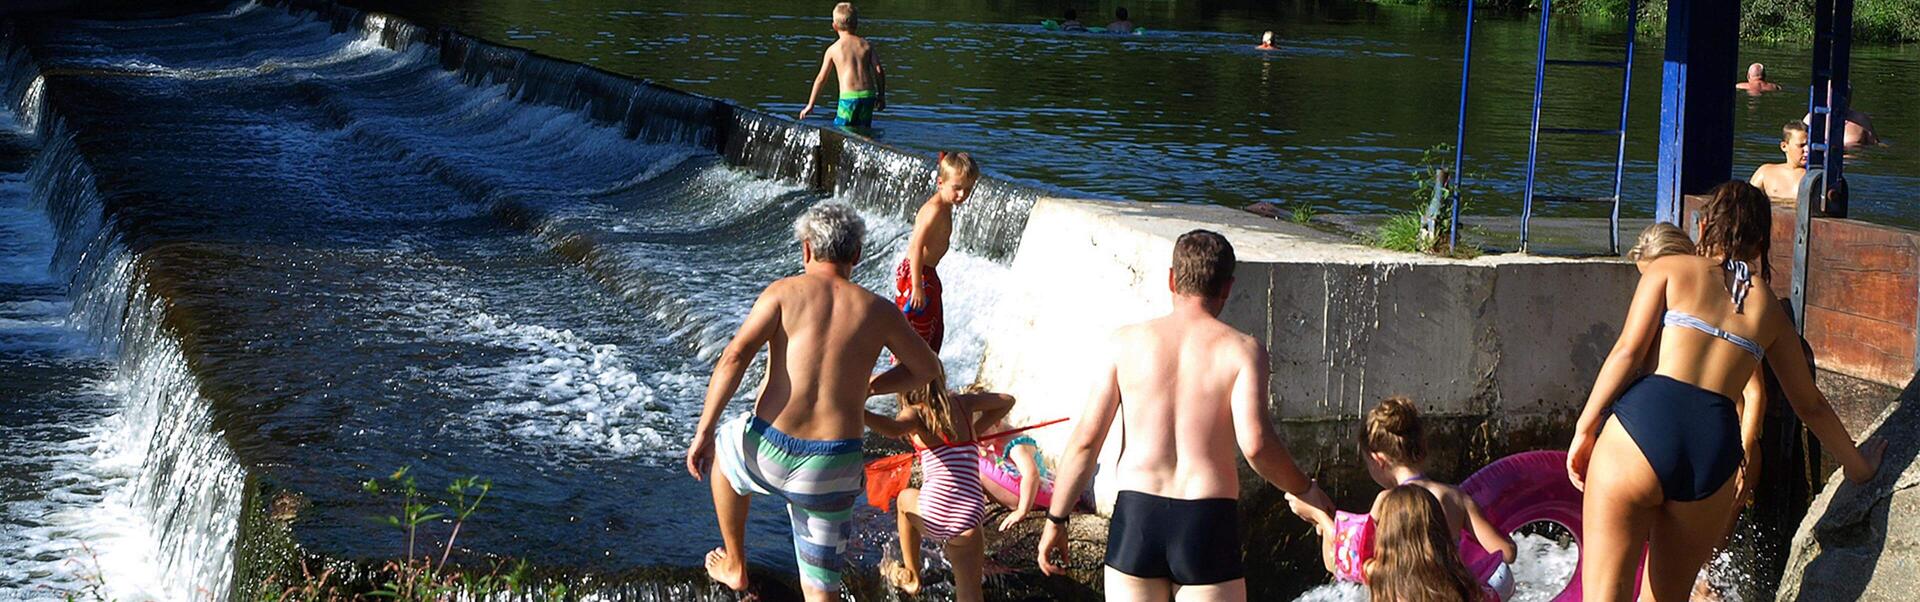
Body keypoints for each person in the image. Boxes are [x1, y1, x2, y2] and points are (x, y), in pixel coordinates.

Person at [1566, 181, 1884, 601]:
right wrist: (1859, 467)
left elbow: (1626, 352)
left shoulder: (1671, 269)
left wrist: (1585, 428)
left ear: (1702, 224)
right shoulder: (1768, 307)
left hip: (1643, 430)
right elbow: (1811, 404)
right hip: (1711, 453)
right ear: (1760, 241)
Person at [1036, 230, 1334, 601]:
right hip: (1206, 520)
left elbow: (1085, 441)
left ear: (1172, 279)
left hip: (1137, 519)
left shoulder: (1125, 342)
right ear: (1227, 288)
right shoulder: (1243, 351)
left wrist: (1056, 519)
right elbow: (1256, 445)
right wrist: (1304, 489)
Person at [685, 202, 943, 601]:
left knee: (725, 448)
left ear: (806, 250)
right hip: (832, 468)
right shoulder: (879, 311)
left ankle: (735, 562)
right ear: (856, 255)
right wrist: (871, 387)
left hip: (767, 451)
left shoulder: (782, 293)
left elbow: (734, 357)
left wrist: (703, 432)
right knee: (821, 591)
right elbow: (928, 369)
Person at [1283, 396, 1517, 599]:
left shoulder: (1389, 502)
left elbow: (1346, 563)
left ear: (1378, 461)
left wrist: (1320, 517)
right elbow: (1506, 552)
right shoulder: (1456, 496)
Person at [865, 371, 1016, 600]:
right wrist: (975, 430)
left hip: (933, 513)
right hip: (968, 519)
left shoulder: (915, 413)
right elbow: (1007, 400)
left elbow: (894, 429)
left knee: (905, 499)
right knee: (970, 592)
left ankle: (913, 576)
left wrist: (859, 409)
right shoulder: (964, 404)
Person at [1292, 485, 1491, 602]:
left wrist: (1318, 515)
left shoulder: (1381, 573)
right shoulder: (1457, 575)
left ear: (1388, 532)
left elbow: (1340, 559)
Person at [896, 152, 979, 352]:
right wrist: (917, 286)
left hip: (927, 273)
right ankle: (909, 377)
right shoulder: (934, 209)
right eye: (957, 188)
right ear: (940, 183)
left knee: (933, 331)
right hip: (917, 274)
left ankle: (925, 380)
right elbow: (916, 247)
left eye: (968, 190)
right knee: (916, 335)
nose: (962, 195)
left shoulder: (946, 205)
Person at [798, 3, 886, 128]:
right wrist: (881, 95)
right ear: (856, 24)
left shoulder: (833, 49)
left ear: (834, 26)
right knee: (864, 131)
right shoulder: (866, 45)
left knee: (841, 131)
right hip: (868, 95)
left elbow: (821, 79)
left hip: (848, 98)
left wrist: (810, 104)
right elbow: (879, 70)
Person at [1749, 121, 1809, 202]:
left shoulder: (1815, 176)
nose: (1807, 150)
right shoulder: (1765, 172)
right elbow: (1746, 203)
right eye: (1801, 146)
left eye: (1809, 145)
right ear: (1784, 146)